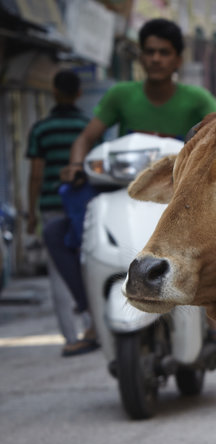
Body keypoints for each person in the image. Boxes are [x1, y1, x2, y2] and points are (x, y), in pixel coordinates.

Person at [53, 18, 216, 354]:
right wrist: (76, 164)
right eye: (149, 52)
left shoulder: (196, 99)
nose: (155, 59)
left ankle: (214, 318)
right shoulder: (121, 95)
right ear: (140, 57)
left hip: (178, 193)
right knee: (56, 232)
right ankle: (91, 314)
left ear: (177, 60)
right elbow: (86, 138)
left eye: (164, 53)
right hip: (126, 189)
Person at [26, 69, 96, 356]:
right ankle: (94, 325)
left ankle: (70, 336)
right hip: (82, 204)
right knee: (87, 264)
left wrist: (31, 212)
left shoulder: (41, 129)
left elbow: (36, 175)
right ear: (79, 93)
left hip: (52, 206)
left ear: (54, 92)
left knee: (58, 274)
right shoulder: (87, 127)